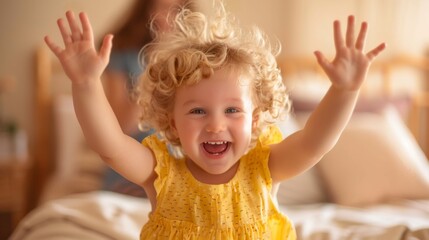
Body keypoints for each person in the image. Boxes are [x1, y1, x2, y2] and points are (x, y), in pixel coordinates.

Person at [44, 1, 385, 238]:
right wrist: (86, 84)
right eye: (197, 111)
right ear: (172, 122)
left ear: (255, 119)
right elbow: (111, 146)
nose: (216, 125)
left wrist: (343, 91)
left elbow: (314, 142)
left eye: (232, 110)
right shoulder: (161, 172)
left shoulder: (265, 167)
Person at [101, 0, 194, 197]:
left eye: (176, 10)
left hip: (184, 154)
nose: (169, 18)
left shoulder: (196, 55)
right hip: (136, 154)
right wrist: (155, 67)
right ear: (146, 10)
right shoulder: (121, 50)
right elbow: (122, 126)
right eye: (162, 8)